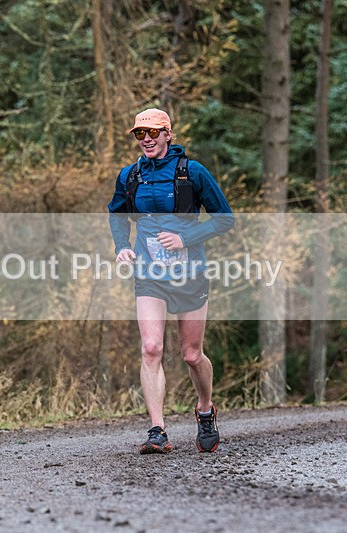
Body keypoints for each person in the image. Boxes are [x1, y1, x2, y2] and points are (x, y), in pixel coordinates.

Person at [108, 108, 234, 454]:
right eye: (139, 134)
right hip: (149, 275)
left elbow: (225, 219)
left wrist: (186, 238)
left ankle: (205, 409)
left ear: (168, 134)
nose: (146, 139)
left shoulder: (192, 172)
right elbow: (117, 215)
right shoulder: (130, 176)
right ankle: (157, 430)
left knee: (192, 355)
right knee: (151, 348)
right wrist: (121, 247)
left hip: (190, 274)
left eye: (152, 133)